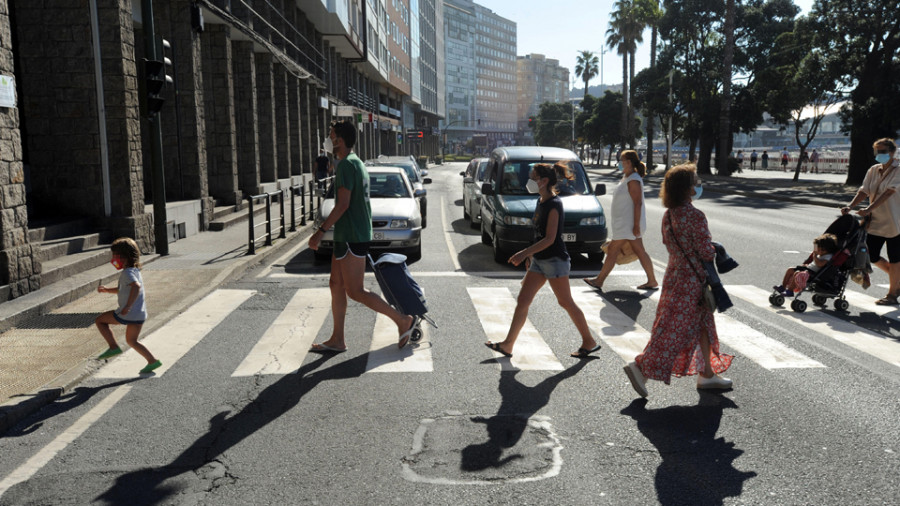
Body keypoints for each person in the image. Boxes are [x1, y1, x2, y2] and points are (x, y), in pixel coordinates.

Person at [623, 164, 734, 398]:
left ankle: (707, 373)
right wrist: (716, 249)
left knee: (702, 323)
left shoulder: (669, 214)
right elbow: (704, 252)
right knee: (673, 329)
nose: (698, 185)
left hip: (675, 274)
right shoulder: (694, 215)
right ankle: (641, 368)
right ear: (686, 188)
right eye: (695, 181)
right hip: (692, 281)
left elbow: (671, 244)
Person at [308, 120, 417, 350]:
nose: (328, 140)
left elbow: (343, 204)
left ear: (340, 140)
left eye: (331, 135)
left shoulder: (348, 165)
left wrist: (319, 232)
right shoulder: (353, 162)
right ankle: (337, 339)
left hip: (352, 236)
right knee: (336, 284)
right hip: (348, 235)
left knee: (355, 290)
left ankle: (402, 319)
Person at [484, 162, 601, 359]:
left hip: (555, 261)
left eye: (532, 177)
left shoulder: (554, 204)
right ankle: (508, 345)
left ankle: (589, 341)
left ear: (544, 181)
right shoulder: (541, 201)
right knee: (523, 300)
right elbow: (538, 235)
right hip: (540, 260)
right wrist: (531, 255)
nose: (528, 181)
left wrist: (523, 253)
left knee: (565, 302)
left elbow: (550, 238)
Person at [583, 150, 658, 291]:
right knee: (639, 251)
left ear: (628, 162)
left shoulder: (634, 179)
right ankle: (652, 280)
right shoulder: (627, 177)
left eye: (621, 160)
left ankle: (599, 281)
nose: (619, 163)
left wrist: (636, 225)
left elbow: (638, 203)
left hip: (629, 225)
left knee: (612, 250)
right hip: (625, 224)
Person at [841, 138, 900, 305]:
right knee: (871, 255)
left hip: (896, 221)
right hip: (876, 222)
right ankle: (897, 279)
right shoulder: (873, 170)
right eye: (877, 152)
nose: (879, 155)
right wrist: (850, 206)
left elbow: (888, 193)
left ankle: (892, 294)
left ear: (892, 152)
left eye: (883, 151)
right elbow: (864, 191)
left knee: (896, 258)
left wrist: (868, 209)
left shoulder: (898, 170)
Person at [95, 237, 161, 374]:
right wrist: (108, 290)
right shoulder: (135, 271)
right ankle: (152, 361)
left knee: (100, 320)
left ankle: (113, 346)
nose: (113, 259)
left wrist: (128, 306)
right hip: (140, 314)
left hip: (128, 313)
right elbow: (124, 289)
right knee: (132, 341)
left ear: (123, 257)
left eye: (114, 256)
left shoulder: (127, 273)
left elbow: (136, 287)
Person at [773, 233, 840, 297]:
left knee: (797, 273)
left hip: (813, 274)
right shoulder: (821, 253)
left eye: (821, 250)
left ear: (828, 250)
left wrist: (815, 256)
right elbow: (815, 244)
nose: (818, 251)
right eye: (818, 249)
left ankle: (790, 290)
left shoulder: (828, 256)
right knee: (790, 269)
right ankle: (783, 287)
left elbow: (819, 264)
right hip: (808, 269)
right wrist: (816, 247)